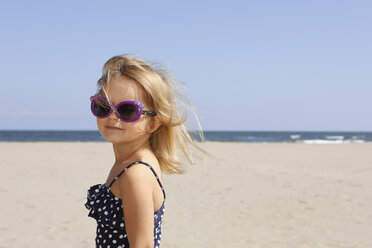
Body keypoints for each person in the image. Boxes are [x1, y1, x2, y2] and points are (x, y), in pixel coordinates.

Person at [85, 55, 205, 248]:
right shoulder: (127, 162)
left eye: (127, 111)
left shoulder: (136, 173)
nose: (113, 117)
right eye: (103, 106)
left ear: (153, 123)